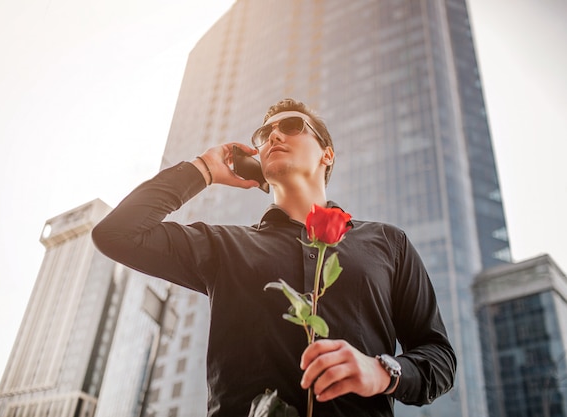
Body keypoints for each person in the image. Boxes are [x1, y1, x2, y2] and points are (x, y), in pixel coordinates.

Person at [92, 98, 456, 417]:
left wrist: (381, 372)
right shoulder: (223, 247)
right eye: (264, 135)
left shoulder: (388, 243)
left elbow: (438, 357)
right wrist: (204, 168)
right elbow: (116, 234)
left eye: (291, 126)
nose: (274, 137)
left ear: (327, 153)